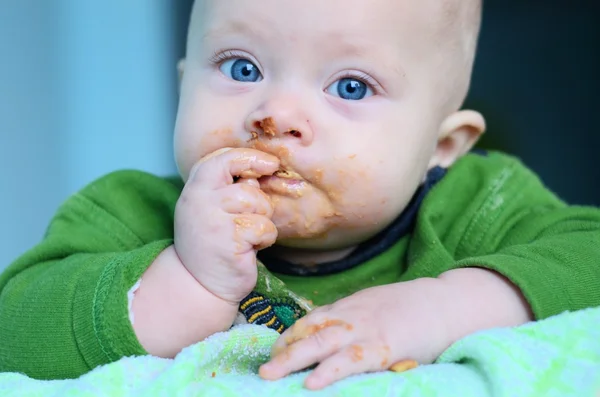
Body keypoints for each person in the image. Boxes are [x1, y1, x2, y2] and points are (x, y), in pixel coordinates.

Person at [1, 0, 599, 391]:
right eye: (241, 68)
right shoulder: (126, 211)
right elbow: (14, 334)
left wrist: (444, 306)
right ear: (182, 84)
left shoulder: (480, 203)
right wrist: (184, 283)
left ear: (441, 146)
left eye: (350, 86)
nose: (276, 114)